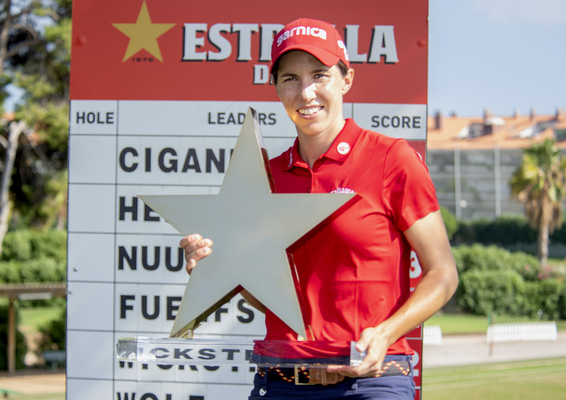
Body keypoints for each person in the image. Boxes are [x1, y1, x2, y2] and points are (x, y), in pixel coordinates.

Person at [180, 18, 457, 400]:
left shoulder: (393, 159)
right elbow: (272, 293)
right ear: (276, 88)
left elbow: (443, 274)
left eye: (320, 75)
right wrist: (224, 270)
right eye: (290, 78)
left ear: (346, 79)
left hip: (372, 384)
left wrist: (386, 333)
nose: (306, 92)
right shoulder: (265, 178)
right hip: (280, 383)